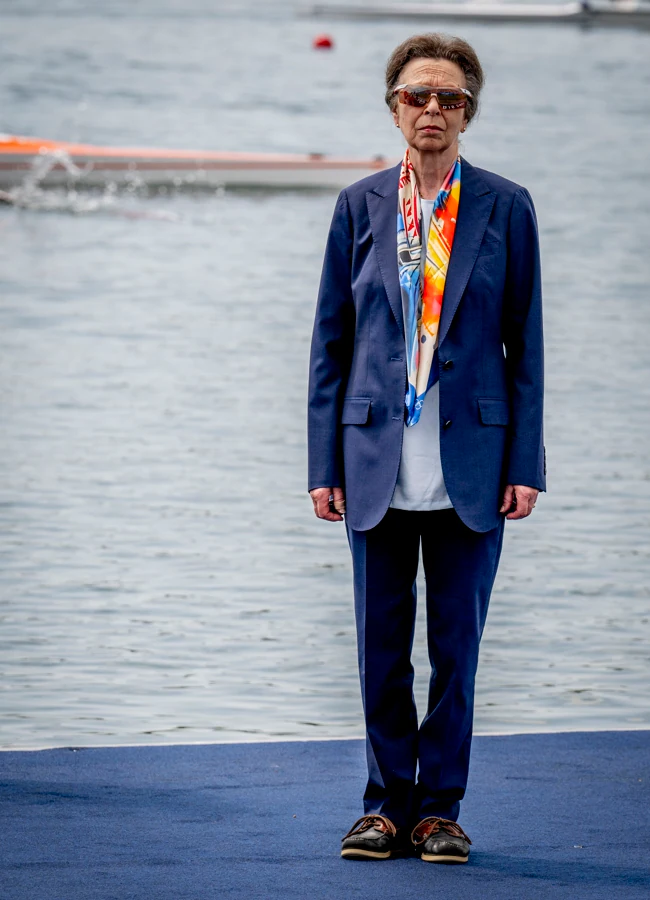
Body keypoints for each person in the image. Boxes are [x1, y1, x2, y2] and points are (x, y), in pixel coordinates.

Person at [308, 32, 545, 864]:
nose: (432, 110)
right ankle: (382, 807)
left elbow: (527, 345)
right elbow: (330, 346)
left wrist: (526, 466)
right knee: (379, 649)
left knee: (456, 651)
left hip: (472, 468)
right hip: (372, 459)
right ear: (394, 107)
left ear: (469, 112)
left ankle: (439, 811)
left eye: (449, 98)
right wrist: (320, 467)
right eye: (417, 96)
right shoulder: (358, 207)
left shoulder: (506, 206)